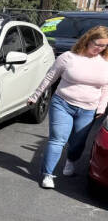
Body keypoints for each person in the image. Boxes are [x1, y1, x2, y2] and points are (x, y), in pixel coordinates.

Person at [28, 25, 108, 189]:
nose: (99, 48)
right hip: (62, 104)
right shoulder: (68, 57)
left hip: (89, 109)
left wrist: (101, 107)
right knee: (57, 140)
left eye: (103, 46)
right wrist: (35, 96)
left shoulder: (105, 63)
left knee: (78, 143)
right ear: (87, 40)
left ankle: (71, 161)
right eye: (97, 44)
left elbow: (106, 88)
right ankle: (48, 175)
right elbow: (50, 77)